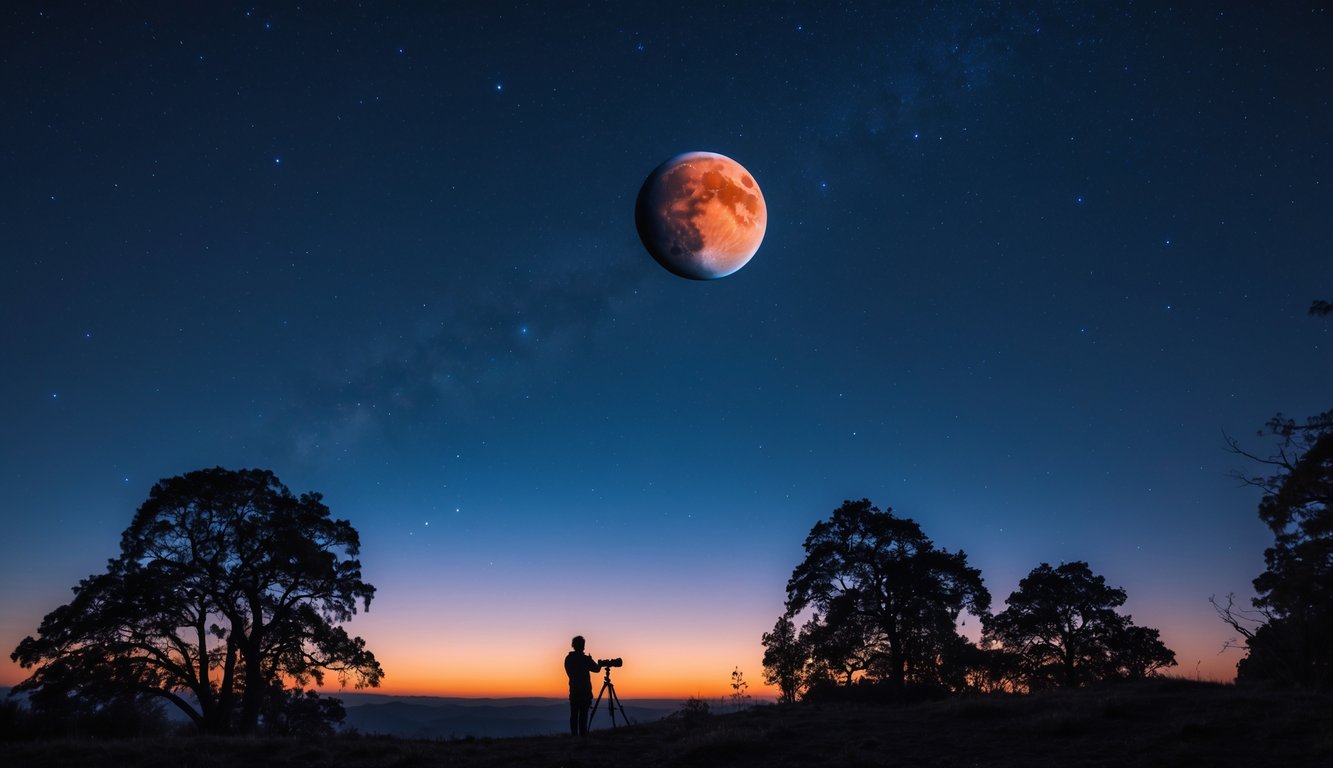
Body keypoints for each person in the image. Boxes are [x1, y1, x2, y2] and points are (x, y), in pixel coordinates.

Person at [564, 635, 601, 736]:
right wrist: (591, 660)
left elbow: (570, 673)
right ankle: (583, 736)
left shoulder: (568, 658)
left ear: (573, 646)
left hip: (574, 691)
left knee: (574, 715)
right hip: (585, 692)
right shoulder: (585, 659)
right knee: (583, 715)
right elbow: (597, 669)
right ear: (583, 646)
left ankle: (574, 736)